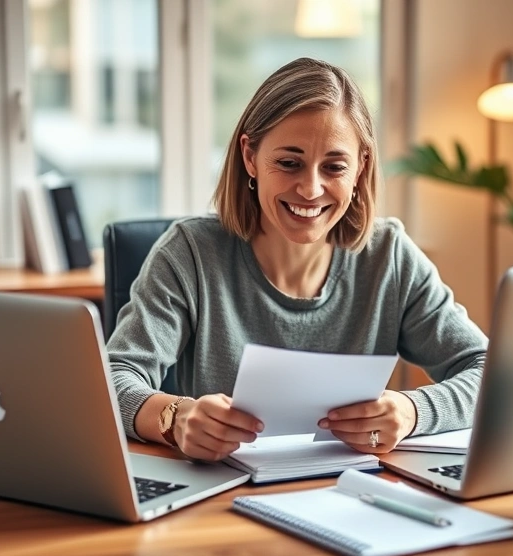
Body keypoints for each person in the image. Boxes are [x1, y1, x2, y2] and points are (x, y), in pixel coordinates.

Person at [107, 57, 487, 462]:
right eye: (289, 163)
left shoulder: (389, 256)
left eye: (334, 167)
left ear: (361, 167)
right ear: (250, 156)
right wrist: (174, 417)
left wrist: (413, 412)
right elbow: (112, 381)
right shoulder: (189, 254)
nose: (310, 189)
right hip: (218, 501)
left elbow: (488, 372)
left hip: (352, 494)